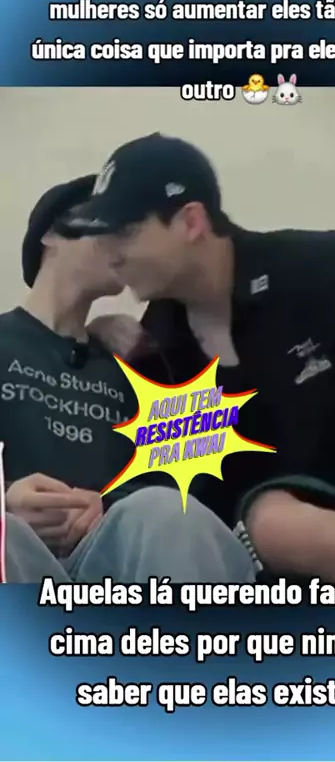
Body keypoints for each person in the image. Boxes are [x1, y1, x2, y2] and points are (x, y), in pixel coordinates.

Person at [58, 134, 335, 582]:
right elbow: (179, 488)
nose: (111, 256)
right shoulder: (160, 349)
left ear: (191, 221)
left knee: (272, 519)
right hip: (288, 582)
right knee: (266, 519)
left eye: (125, 232)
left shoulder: (324, 272)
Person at [1, 175, 255, 583]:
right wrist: (7, 497)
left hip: (117, 566)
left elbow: (183, 476)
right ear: (50, 234)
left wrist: (106, 503)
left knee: (165, 511)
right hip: (20, 564)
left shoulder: (137, 361)